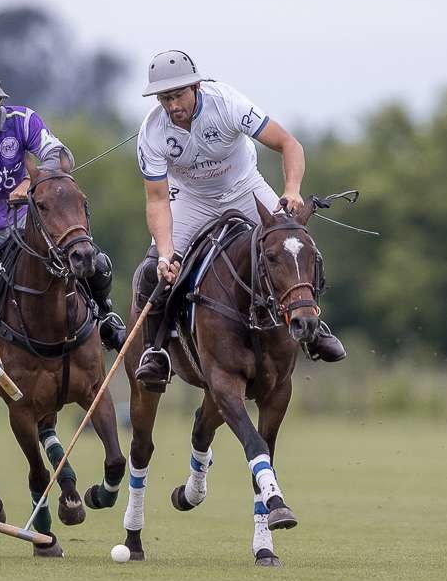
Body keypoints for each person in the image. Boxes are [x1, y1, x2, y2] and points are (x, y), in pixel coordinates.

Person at [133, 50, 346, 392]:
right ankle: (157, 351)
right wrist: (165, 253)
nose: (172, 106)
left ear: (196, 86)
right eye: (164, 98)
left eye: (177, 95)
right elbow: (157, 200)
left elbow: (289, 144)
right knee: (151, 272)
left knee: (295, 245)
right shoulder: (152, 133)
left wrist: (292, 190)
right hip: (191, 199)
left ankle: (315, 329)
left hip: (244, 188)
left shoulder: (227, 103)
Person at [0, 66, 126, 389]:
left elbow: (56, 154)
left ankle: (104, 318)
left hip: (24, 220)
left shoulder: (23, 121)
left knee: (92, 260)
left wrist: (34, 183)